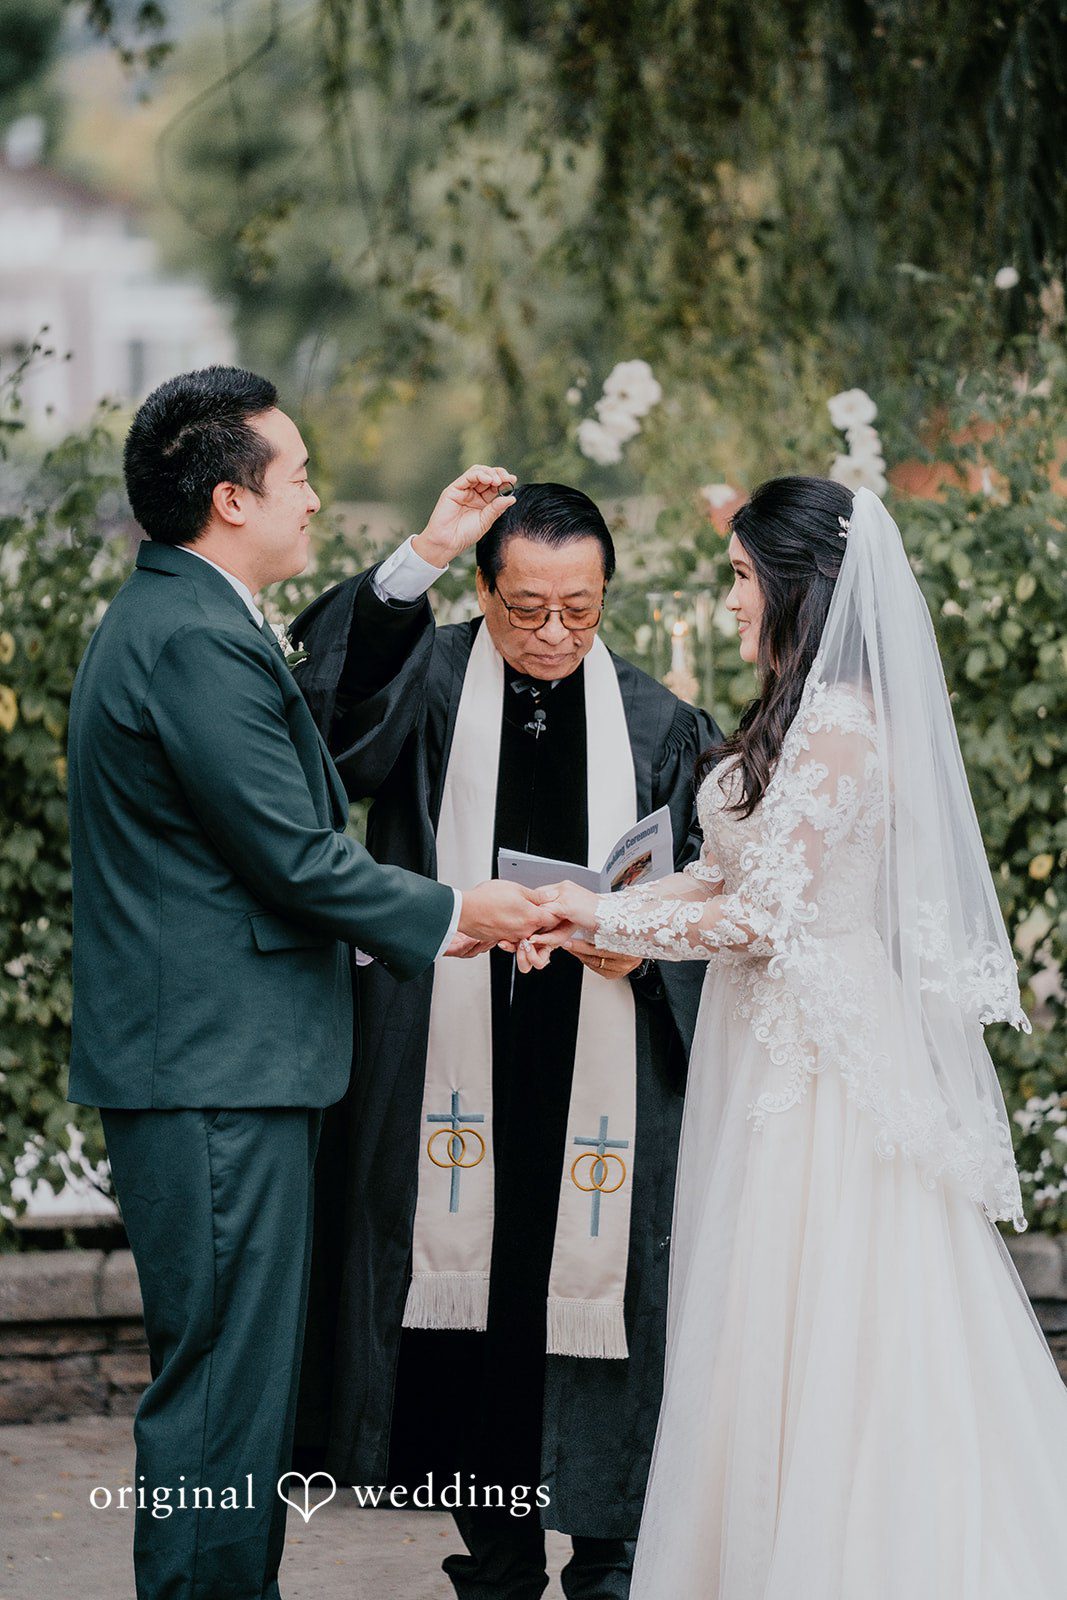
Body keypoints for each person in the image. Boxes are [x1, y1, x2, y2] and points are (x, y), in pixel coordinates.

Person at [526, 477, 1067, 1598]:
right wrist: (584, 903)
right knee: (752, 1313)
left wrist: (605, 917)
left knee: (826, 1307)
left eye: (737, 577)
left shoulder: (842, 732)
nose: (727, 603)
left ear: (797, 584)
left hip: (819, 1069)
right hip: (768, 1043)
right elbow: (722, 875)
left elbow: (762, 919)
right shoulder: (793, 716)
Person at [66, 365, 554, 1600]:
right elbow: (289, 855)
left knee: (243, 1388)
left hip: (225, 1063)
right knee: (226, 1392)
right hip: (215, 1071)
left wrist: (431, 549)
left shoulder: (194, 617)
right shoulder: (187, 640)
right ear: (232, 498)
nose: (313, 495)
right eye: (296, 476)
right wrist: (459, 908)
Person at [289, 483, 721, 1599]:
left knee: (603, 1307)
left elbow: (709, 909)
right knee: (473, 1310)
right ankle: (492, 1558)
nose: (551, 635)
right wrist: (415, 558)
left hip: (605, 1058)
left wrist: (643, 951)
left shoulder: (655, 723)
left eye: (578, 609)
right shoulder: (427, 677)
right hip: (449, 1051)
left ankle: (611, 1561)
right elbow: (320, 734)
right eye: (524, 608)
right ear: (481, 590)